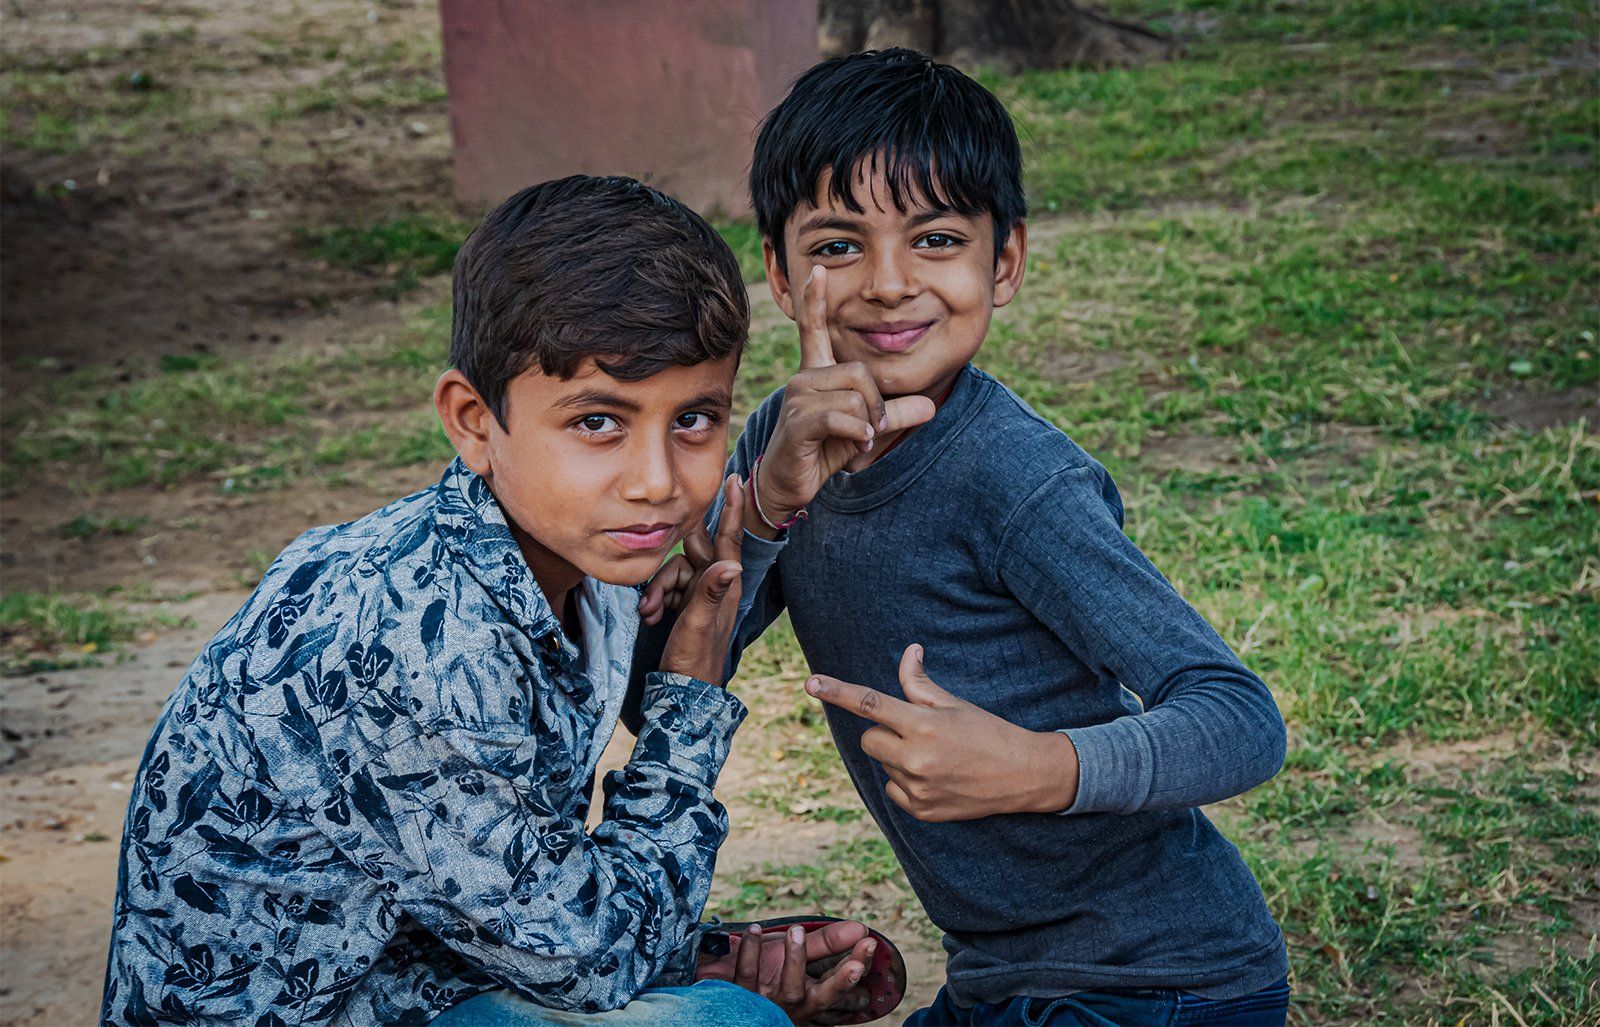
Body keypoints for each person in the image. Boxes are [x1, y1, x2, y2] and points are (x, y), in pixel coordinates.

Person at [100, 175, 885, 1027]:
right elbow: (589, 964)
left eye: (694, 418)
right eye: (598, 422)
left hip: (416, 969)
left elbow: (515, 884)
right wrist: (687, 701)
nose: (657, 482)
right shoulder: (412, 641)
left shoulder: (581, 554)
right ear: (473, 420)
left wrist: (681, 952)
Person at [638, 49, 1293, 1026]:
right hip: (1001, 981)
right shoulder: (785, 435)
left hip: (1161, 982)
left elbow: (1240, 719)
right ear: (778, 272)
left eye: (936, 237)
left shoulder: (1017, 483)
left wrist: (1037, 768)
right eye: (837, 246)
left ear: (1006, 261)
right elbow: (659, 697)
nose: (889, 283)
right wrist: (767, 509)